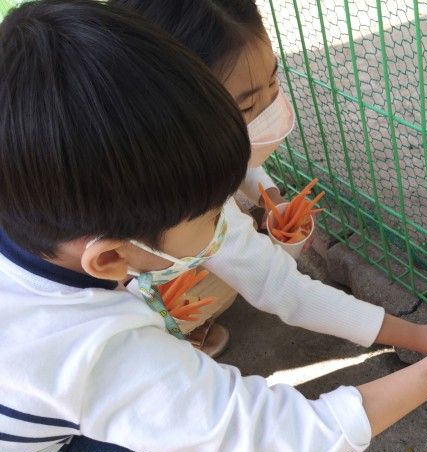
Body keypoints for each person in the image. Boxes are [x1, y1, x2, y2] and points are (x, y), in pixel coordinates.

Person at [0, 1, 427, 452]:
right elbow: (279, 436)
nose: (227, 219)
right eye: (210, 215)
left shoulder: (43, 209)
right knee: (164, 423)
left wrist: (421, 336)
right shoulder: (103, 353)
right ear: (108, 259)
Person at [108, 0, 300, 356]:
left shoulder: (151, 128)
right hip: (134, 301)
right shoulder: (149, 184)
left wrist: (268, 194)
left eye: (274, 80)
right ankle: (172, 334)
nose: (270, 107)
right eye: (245, 108)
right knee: (223, 273)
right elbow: (278, 285)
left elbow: (237, 158)